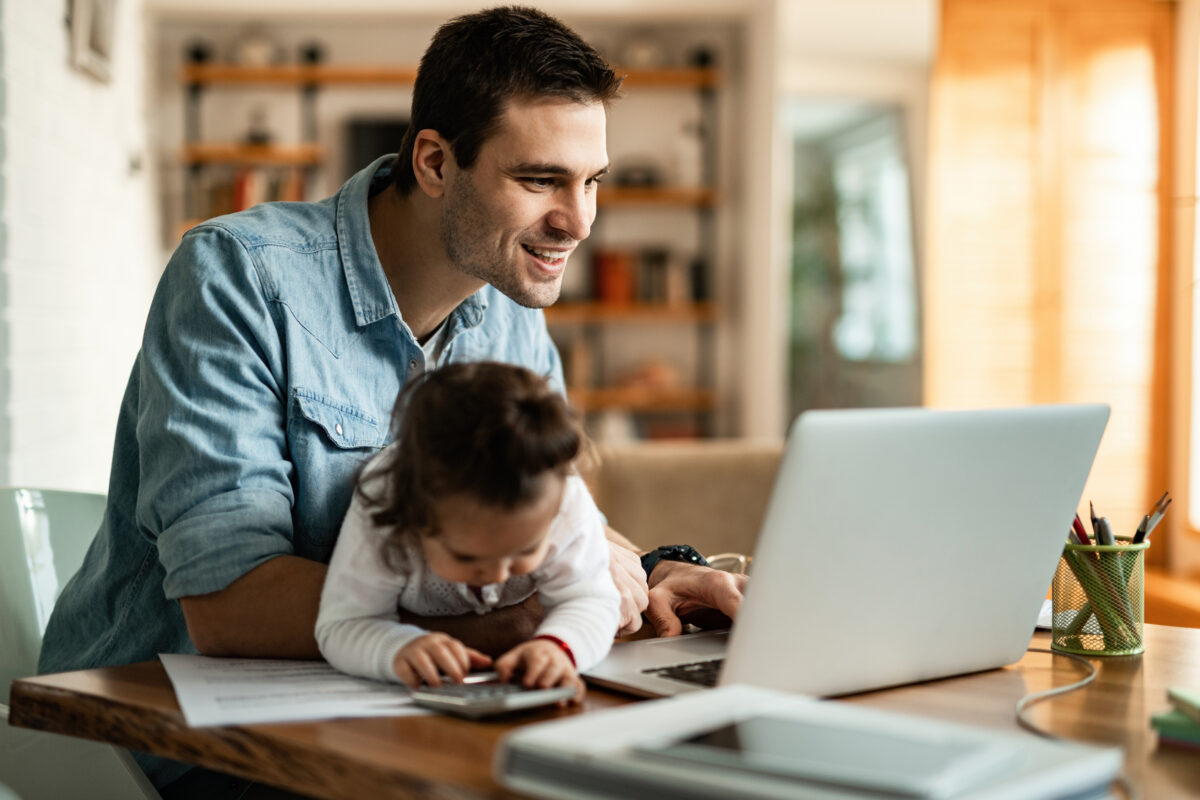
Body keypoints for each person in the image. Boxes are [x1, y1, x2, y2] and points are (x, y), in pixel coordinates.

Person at [38, 5, 746, 794]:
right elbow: (227, 605)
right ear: (436, 163)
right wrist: (523, 620)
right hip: (178, 747)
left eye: (591, 183)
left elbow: (541, 515)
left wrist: (650, 577)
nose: (578, 222)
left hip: (398, 714)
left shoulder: (511, 314)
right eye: (540, 179)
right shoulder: (238, 277)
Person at [317, 362, 618, 699]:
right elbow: (342, 623)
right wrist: (396, 648)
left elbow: (591, 599)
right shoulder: (385, 501)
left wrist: (559, 646)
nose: (496, 575)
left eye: (525, 551)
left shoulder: (563, 495)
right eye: (466, 556)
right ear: (415, 517)